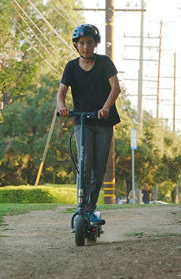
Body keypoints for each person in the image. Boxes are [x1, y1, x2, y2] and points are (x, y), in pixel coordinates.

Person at [57, 24, 121, 224]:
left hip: (103, 121)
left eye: (89, 43)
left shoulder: (104, 63)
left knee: (98, 168)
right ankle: (81, 206)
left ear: (95, 44)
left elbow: (115, 88)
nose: (85, 47)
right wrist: (62, 108)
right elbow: (61, 92)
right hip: (82, 121)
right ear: (76, 45)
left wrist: (106, 107)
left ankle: (90, 208)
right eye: (81, 43)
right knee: (84, 164)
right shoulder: (71, 67)